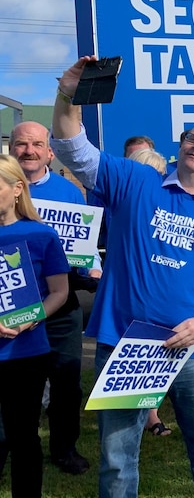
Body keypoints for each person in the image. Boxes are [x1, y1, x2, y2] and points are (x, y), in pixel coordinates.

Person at [51, 56, 194, 498]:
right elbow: (74, 150)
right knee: (118, 453)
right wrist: (69, 96)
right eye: (192, 138)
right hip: (125, 343)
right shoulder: (135, 181)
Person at [10, 121, 97, 474]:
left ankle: (64, 448)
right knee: (13, 384)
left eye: (36, 144)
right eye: (20, 144)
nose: (28, 150)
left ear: (49, 151)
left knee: (66, 382)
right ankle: (14, 446)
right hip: (12, 305)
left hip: (61, 305)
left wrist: (90, 268)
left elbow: (80, 249)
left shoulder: (69, 192)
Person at [0, 155, 70, 498]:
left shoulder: (41, 234)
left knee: (23, 435)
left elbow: (60, 291)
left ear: (16, 190)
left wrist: (33, 316)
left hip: (26, 351)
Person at [125, 147, 173, 437]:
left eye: (160, 176)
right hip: (133, 296)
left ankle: (151, 412)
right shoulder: (124, 204)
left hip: (163, 295)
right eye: (151, 175)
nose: (157, 182)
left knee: (158, 358)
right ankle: (142, 416)